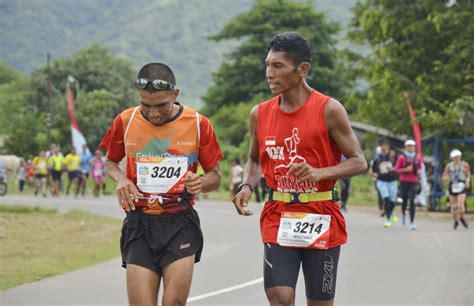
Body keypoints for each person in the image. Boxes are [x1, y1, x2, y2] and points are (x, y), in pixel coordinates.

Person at [232, 32, 367, 306]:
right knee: (280, 297)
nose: (269, 73)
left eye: (278, 66)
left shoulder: (329, 109)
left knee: (319, 303)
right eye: (268, 65)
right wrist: (246, 185)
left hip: (321, 214)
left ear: (302, 69)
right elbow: (255, 160)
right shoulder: (259, 113)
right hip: (279, 215)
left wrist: (320, 173)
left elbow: (358, 161)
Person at [99, 62, 223, 306]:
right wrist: (121, 178)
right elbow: (110, 162)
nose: (153, 113)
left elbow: (215, 176)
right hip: (139, 222)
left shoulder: (199, 124)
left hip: (180, 222)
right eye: (146, 105)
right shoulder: (126, 120)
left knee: (173, 303)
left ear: (175, 94)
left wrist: (200, 182)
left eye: (160, 106)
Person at [395, 140, 422, 230]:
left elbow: (420, 168)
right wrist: (405, 170)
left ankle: (412, 221)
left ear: (414, 147)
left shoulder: (418, 157)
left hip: (414, 181)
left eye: (412, 146)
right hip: (404, 181)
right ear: (406, 147)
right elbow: (396, 170)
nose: (410, 148)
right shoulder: (402, 157)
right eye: (408, 146)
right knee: (405, 199)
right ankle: (403, 214)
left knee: (412, 200)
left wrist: (419, 172)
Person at [372, 138, 399, 227]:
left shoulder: (393, 156)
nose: (384, 147)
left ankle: (390, 213)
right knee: (386, 199)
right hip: (382, 180)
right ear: (380, 146)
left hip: (392, 180)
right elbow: (374, 168)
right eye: (383, 145)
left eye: (386, 145)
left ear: (388, 146)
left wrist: (393, 169)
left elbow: (398, 167)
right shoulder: (377, 157)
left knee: (393, 201)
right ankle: (388, 220)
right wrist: (374, 173)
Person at [443, 149, 471, 229]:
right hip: (452, 185)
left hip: (461, 185)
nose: (457, 158)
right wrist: (446, 178)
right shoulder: (449, 166)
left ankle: (462, 217)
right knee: (454, 206)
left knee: (461, 205)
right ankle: (455, 220)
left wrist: (467, 180)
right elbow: (445, 174)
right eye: (455, 157)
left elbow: (468, 173)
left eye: (458, 157)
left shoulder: (464, 164)